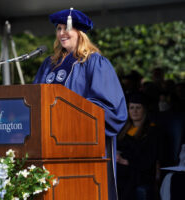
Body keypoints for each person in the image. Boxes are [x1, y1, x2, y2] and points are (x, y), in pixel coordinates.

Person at [33, 8, 128, 200]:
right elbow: (36, 100)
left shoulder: (95, 62)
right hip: (49, 144)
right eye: (58, 29)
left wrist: (70, 115)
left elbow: (109, 107)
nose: (61, 33)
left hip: (82, 144)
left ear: (80, 33)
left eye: (66, 28)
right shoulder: (49, 64)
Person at [116, 93, 159, 200]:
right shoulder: (124, 129)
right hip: (122, 166)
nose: (134, 111)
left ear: (144, 110)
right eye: (131, 108)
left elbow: (150, 157)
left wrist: (127, 161)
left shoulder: (152, 130)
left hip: (140, 170)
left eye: (138, 108)